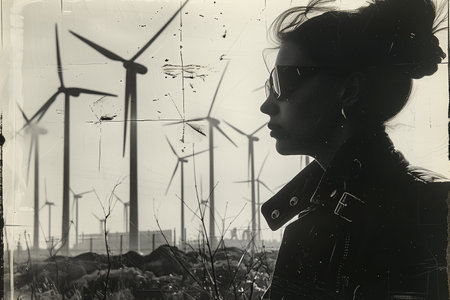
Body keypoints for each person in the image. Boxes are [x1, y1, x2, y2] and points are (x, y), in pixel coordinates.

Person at [259, 0, 449, 299]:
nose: (267, 104)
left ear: (349, 91)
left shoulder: (423, 215)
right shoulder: (315, 221)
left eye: (282, 82)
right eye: (269, 85)